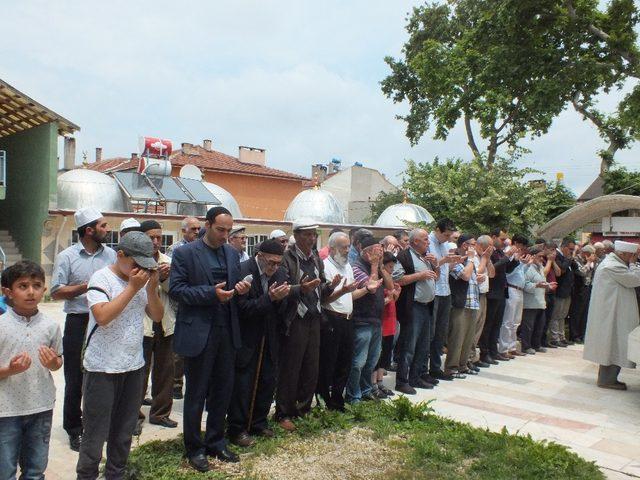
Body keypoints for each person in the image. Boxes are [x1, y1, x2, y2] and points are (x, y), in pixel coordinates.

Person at [169, 206, 251, 472]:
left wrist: (240, 289)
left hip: (226, 330)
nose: (225, 236)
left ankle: (216, 440)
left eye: (229, 231)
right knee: (196, 393)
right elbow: (177, 290)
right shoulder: (184, 253)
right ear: (207, 225)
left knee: (222, 390)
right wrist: (210, 294)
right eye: (220, 230)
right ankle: (194, 448)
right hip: (199, 331)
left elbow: (233, 285)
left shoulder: (230, 252)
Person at [76, 231, 164, 479]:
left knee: (123, 433)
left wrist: (150, 289)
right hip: (102, 368)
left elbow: (157, 316)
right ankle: (86, 475)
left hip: (133, 366)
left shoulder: (140, 282)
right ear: (120, 255)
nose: (140, 270)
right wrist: (133, 288)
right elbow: (102, 317)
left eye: (145, 266)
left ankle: (116, 473)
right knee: (94, 433)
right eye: (136, 264)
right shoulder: (101, 279)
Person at [51, 207, 116, 452]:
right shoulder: (67, 256)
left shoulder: (111, 255)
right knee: (75, 378)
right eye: (102, 226)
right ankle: (74, 429)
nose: (107, 229)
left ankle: (98, 425)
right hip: (78, 321)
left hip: (104, 321)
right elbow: (56, 291)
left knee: (102, 375)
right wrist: (86, 287)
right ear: (89, 230)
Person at [0, 261, 62, 480]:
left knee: (35, 470)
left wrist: (53, 363)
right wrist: (9, 369)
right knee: (4, 471)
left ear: (44, 290)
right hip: (6, 411)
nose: (31, 292)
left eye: (36, 285)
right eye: (23, 286)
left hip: (41, 407)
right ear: (7, 292)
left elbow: (57, 362)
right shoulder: (1, 326)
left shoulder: (50, 326)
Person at [276, 220, 340, 430]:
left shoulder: (315, 258)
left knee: (311, 366)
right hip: (295, 318)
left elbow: (319, 286)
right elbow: (282, 288)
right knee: (291, 368)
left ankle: (303, 409)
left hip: (314, 317)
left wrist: (332, 286)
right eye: (308, 235)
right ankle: (284, 412)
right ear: (297, 235)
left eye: (314, 235)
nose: (312, 239)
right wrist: (300, 289)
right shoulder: (287, 257)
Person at [228, 239, 291, 447]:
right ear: (260, 256)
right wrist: (269, 299)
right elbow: (242, 308)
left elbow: (282, 309)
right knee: (244, 384)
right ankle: (237, 429)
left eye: (278, 263)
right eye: (271, 262)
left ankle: (259, 423)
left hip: (271, 336)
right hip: (247, 336)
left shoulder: (280, 274)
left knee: (267, 381)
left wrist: (280, 300)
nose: (274, 267)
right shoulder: (243, 270)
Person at [137, 220, 178, 431]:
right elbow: (133, 291)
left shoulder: (168, 261)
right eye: (150, 237)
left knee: (165, 372)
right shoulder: (134, 262)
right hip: (141, 325)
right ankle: (134, 416)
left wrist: (164, 279)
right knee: (139, 373)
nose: (155, 242)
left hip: (165, 323)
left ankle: (161, 413)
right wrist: (152, 281)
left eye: (158, 238)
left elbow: (176, 291)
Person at [584, 240, 640, 390]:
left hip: (614, 313)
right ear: (622, 254)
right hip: (612, 315)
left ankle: (608, 378)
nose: (632, 258)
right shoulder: (612, 266)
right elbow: (635, 279)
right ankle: (607, 380)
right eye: (631, 256)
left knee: (614, 345)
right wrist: (634, 264)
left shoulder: (614, 263)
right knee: (613, 345)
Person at [346, 236, 394, 402]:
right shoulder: (356, 267)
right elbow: (371, 288)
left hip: (376, 320)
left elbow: (390, 286)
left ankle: (366, 390)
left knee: (372, 361)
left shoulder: (377, 266)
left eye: (380, 252)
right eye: (376, 252)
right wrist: (374, 266)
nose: (379, 254)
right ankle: (353, 395)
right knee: (358, 362)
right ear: (366, 252)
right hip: (362, 321)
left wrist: (380, 266)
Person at [317, 232, 362, 411]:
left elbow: (350, 293)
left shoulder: (347, 266)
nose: (347, 250)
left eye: (348, 246)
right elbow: (324, 299)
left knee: (345, 362)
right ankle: (324, 398)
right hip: (331, 318)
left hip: (348, 319)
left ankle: (337, 399)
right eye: (344, 247)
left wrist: (367, 289)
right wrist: (342, 291)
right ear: (332, 248)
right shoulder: (325, 267)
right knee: (329, 362)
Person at [394, 228, 439, 394]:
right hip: (412, 306)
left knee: (423, 344)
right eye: (425, 239)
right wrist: (419, 276)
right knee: (409, 345)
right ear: (415, 242)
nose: (428, 242)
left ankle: (416, 377)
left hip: (426, 306)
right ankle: (402, 381)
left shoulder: (425, 257)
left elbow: (436, 277)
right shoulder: (404, 256)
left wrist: (435, 265)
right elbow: (397, 278)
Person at [167, 216, 201, 400]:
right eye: (193, 229)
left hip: (197, 305)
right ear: (183, 231)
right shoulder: (175, 251)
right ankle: (176, 384)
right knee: (178, 351)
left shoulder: (201, 249)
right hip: (178, 307)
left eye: (198, 229)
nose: (196, 232)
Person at [445, 235, 483, 378]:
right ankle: (451, 367)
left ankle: (463, 365)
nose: (474, 247)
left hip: (472, 302)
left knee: (468, 337)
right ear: (464, 245)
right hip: (460, 303)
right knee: (457, 337)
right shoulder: (455, 259)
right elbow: (465, 276)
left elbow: (472, 277)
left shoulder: (469, 261)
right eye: (473, 244)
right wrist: (472, 259)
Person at [427, 218, 460, 381]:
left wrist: (454, 262)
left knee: (441, 332)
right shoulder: (428, 243)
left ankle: (435, 367)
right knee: (431, 333)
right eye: (446, 235)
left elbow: (447, 267)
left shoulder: (446, 245)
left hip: (445, 290)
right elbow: (428, 266)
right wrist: (444, 260)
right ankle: (423, 369)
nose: (448, 239)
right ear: (437, 230)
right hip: (433, 292)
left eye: (450, 236)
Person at [479, 228, 518, 364]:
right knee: (488, 324)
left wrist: (515, 259)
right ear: (493, 237)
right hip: (492, 292)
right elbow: (493, 268)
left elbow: (506, 269)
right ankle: (485, 352)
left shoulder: (500, 252)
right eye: (501, 239)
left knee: (497, 324)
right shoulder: (489, 253)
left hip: (501, 291)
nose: (504, 242)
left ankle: (493, 351)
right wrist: (507, 257)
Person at [498, 234, 530, 358]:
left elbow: (521, 273)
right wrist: (517, 261)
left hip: (519, 289)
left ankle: (512, 347)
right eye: (521, 246)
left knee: (516, 321)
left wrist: (524, 264)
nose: (522, 249)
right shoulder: (509, 252)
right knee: (508, 321)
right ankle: (503, 348)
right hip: (511, 288)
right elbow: (508, 272)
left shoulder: (518, 255)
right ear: (516, 243)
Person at [373, 252, 400, 397]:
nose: (392, 270)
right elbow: (380, 303)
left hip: (390, 322)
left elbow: (392, 298)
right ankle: (373, 384)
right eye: (389, 267)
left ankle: (380, 382)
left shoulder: (389, 279)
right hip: (381, 323)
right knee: (377, 355)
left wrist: (395, 296)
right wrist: (389, 298)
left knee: (385, 354)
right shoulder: (379, 281)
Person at [467, 235, 495, 369]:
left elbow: (492, 274)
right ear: (481, 246)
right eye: (488, 247)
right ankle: (467, 358)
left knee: (479, 328)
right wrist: (484, 258)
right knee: (472, 329)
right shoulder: (473, 256)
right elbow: (477, 272)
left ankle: (473, 357)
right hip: (474, 295)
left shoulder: (485, 258)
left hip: (484, 295)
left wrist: (488, 260)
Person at [521, 246, 555, 354]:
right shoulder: (527, 267)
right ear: (533, 256)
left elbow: (541, 282)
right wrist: (537, 285)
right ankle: (526, 346)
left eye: (543, 256)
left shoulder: (540, 267)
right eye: (539, 256)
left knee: (540, 325)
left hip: (540, 301)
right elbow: (524, 284)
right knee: (528, 326)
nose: (542, 259)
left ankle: (536, 344)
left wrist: (549, 286)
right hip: (530, 302)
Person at [548, 238, 576, 347]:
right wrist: (569, 258)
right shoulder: (559, 257)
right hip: (559, 290)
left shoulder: (566, 258)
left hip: (567, 291)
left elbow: (574, 268)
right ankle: (555, 337)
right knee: (556, 315)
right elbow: (562, 268)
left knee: (563, 315)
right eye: (570, 249)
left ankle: (561, 336)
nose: (571, 252)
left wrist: (570, 259)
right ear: (563, 247)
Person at [570, 244, 596, 343]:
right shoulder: (576, 260)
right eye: (590, 254)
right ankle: (574, 335)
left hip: (587, 288)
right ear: (585, 253)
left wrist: (591, 262)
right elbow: (582, 272)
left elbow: (592, 272)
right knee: (577, 312)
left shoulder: (589, 261)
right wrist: (589, 262)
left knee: (585, 313)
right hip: (578, 289)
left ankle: (582, 334)